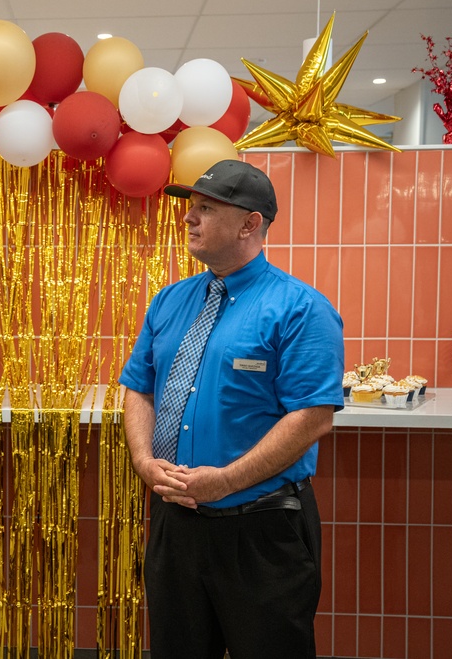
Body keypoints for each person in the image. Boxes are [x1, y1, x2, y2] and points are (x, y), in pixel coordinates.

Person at [119, 159, 344, 658]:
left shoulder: (301, 309)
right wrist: (142, 460)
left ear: (250, 224)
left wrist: (225, 481)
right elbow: (139, 388)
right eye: (190, 207)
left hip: (261, 532)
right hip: (176, 524)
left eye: (205, 208)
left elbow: (313, 417)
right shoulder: (169, 301)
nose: (188, 218)